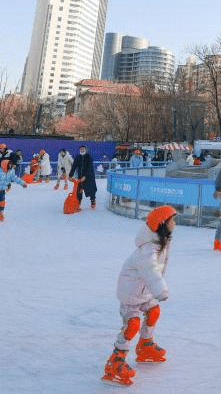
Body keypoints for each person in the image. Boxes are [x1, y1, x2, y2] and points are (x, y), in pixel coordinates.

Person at [101, 205, 177, 386]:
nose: (175, 223)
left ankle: (145, 345)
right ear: (161, 224)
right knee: (132, 325)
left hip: (145, 291)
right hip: (132, 293)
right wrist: (161, 290)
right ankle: (115, 361)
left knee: (154, 312)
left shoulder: (161, 241)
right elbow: (150, 270)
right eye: (172, 220)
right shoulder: (148, 249)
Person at [69, 145, 98, 209]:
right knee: (78, 191)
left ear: (86, 150)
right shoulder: (77, 157)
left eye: (83, 149)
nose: (82, 150)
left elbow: (90, 168)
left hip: (89, 177)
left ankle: (93, 201)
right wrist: (70, 175)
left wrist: (85, 176)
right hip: (80, 177)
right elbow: (74, 166)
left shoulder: (89, 157)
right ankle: (78, 203)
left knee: (91, 190)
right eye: (81, 149)